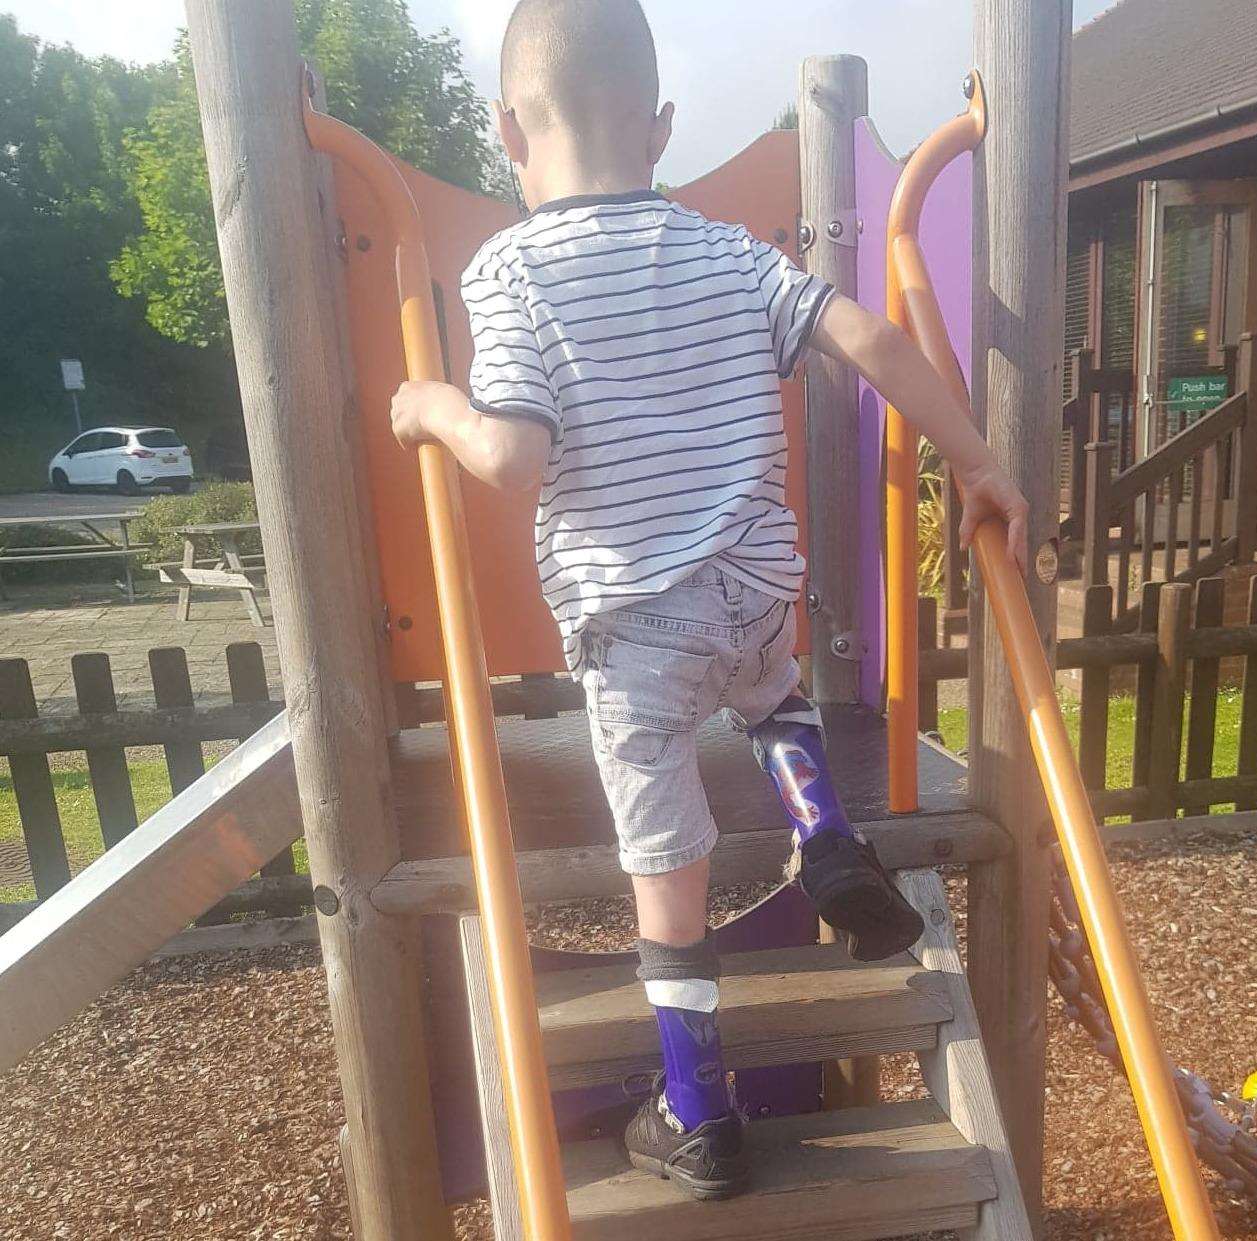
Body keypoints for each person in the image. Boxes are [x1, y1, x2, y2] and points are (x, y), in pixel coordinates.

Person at [390, 0, 1030, 1203]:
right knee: (776, 696)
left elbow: (514, 457)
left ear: (502, 134)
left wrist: (431, 405)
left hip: (631, 630)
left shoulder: (509, 270)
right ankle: (825, 835)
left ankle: (694, 1109)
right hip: (752, 593)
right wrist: (978, 458)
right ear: (663, 128)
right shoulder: (725, 250)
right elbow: (871, 343)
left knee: (666, 867)